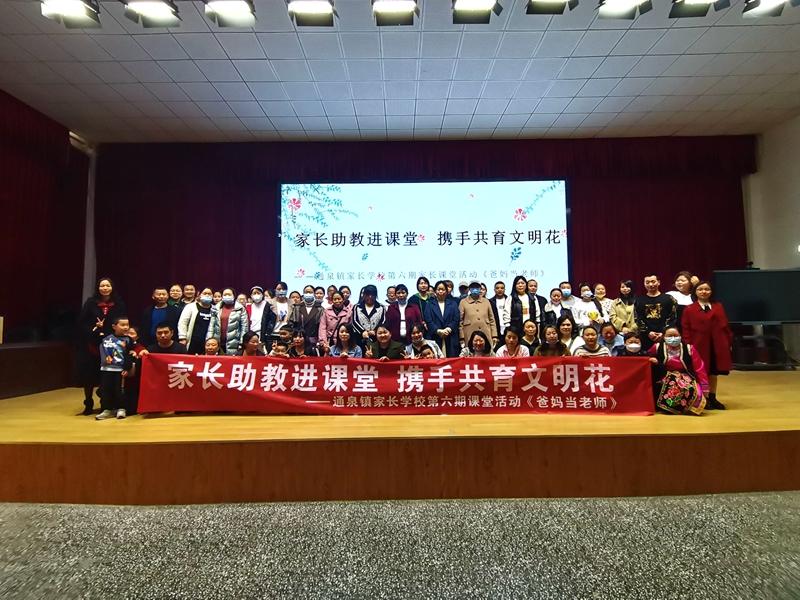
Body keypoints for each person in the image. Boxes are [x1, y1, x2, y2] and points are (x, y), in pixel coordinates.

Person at [76, 277, 128, 415]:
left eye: (107, 286)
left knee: (108, 374)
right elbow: (82, 322)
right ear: (98, 288)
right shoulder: (91, 303)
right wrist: (94, 328)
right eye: (102, 286)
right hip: (93, 343)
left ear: (112, 287)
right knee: (89, 374)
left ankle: (107, 403)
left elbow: (122, 321)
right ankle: (88, 402)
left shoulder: (119, 303)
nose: (105, 288)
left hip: (112, 343)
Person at [681, 281, 733, 410]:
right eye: (700, 289)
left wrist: (728, 341)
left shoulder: (718, 306)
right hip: (699, 345)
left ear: (711, 291)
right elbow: (685, 329)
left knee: (714, 372)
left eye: (707, 289)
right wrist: (688, 345)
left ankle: (713, 397)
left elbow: (725, 326)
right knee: (702, 372)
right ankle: (703, 398)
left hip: (717, 344)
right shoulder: (689, 309)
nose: (704, 292)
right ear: (695, 292)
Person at [649, 326, 708, 415]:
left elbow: (699, 368)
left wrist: (705, 387)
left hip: (685, 376)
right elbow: (646, 357)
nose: (673, 338)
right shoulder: (657, 347)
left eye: (676, 335)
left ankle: (685, 409)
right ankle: (668, 408)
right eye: (669, 336)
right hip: (663, 376)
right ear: (664, 337)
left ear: (680, 336)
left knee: (696, 393)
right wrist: (653, 360)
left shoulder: (689, 348)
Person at [95, 316, 133, 421]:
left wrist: (127, 368)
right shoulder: (105, 337)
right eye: (122, 325)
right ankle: (106, 409)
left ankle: (121, 408)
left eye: (127, 325)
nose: (126, 327)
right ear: (114, 326)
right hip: (106, 369)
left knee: (119, 390)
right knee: (106, 390)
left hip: (120, 370)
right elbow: (93, 338)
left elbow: (129, 355)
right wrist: (98, 328)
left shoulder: (128, 339)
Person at [635, 274, 677, 351]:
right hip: (646, 337)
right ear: (644, 284)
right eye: (647, 282)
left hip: (666, 336)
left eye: (653, 281)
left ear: (659, 282)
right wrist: (648, 332)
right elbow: (638, 318)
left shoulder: (669, 299)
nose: (650, 284)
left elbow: (673, 317)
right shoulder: (639, 300)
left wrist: (664, 332)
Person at [424, 280, 461, 358]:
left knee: (452, 360)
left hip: (450, 336)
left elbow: (456, 319)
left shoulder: (453, 304)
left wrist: (449, 329)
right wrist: (438, 330)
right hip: (435, 336)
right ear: (435, 291)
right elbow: (428, 320)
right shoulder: (429, 304)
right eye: (438, 289)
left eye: (443, 289)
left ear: (446, 291)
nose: (441, 291)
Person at [459, 279, 498, 352]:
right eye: (472, 287)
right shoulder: (463, 302)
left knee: (487, 353)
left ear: (480, 288)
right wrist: (462, 337)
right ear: (469, 289)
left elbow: (492, 319)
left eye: (477, 287)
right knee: (471, 353)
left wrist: (494, 335)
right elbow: (460, 321)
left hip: (486, 332)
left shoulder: (486, 301)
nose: (475, 289)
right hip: (469, 333)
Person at [208, 288, 249, 356]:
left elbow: (244, 327)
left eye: (229, 294)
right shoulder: (216, 308)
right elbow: (211, 325)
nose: (227, 296)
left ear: (234, 296)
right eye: (225, 295)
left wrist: (242, 343)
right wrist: (209, 340)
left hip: (234, 343)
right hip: (217, 342)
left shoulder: (240, 309)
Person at [178, 287, 214, 355]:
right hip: (192, 341)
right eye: (205, 293)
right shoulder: (190, 307)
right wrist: (182, 338)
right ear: (199, 295)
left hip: (208, 343)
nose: (207, 295)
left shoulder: (214, 309)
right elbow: (183, 323)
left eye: (209, 294)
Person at [245, 286, 276, 350]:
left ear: (262, 295)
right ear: (251, 296)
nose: (256, 295)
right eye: (254, 293)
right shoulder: (249, 306)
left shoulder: (267, 305)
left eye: (258, 293)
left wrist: (267, 333)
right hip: (251, 334)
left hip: (263, 334)